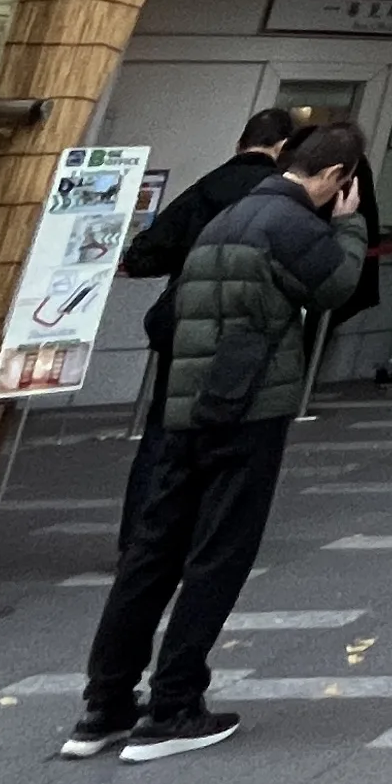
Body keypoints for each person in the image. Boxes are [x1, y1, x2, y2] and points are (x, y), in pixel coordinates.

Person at [64, 120, 372, 763]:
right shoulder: (291, 224)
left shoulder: (227, 216)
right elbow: (336, 287)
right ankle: (173, 705)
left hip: (183, 407)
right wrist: (349, 225)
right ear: (337, 178)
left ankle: (105, 704)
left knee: (153, 552)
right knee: (218, 553)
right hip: (247, 406)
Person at [112, 108, 299, 551]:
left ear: (240, 144)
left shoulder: (204, 189)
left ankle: (140, 539)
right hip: (245, 333)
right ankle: (201, 538)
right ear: (283, 149)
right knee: (232, 436)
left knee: (162, 431)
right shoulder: (279, 200)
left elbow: (144, 256)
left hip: (183, 321)